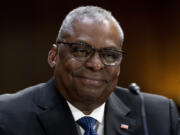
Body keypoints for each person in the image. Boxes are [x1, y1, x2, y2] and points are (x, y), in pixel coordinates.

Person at [0, 6, 179, 135]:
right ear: (53, 56)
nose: (96, 64)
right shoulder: (8, 115)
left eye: (109, 55)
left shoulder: (158, 116)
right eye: (81, 51)